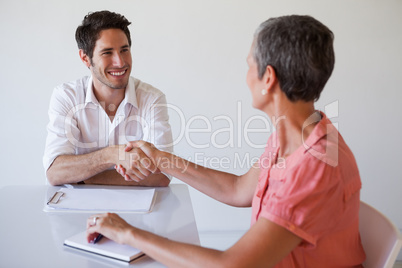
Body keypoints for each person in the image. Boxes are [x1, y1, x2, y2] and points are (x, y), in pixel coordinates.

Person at [86, 15, 366, 267]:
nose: (245, 77)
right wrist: (161, 158)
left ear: (268, 78)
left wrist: (128, 234)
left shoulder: (314, 165)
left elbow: (230, 266)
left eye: (249, 65)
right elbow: (237, 190)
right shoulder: (297, 134)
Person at [43, 11, 173, 187]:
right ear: (85, 58)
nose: (120, 62)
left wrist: (84, 177)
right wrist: (111, 155)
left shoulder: (152, 99)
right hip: (78, 210)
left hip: (137, 210)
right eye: (107, 52)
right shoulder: (67, 96)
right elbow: (55, 172)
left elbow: (162, 175)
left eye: (124, 50)